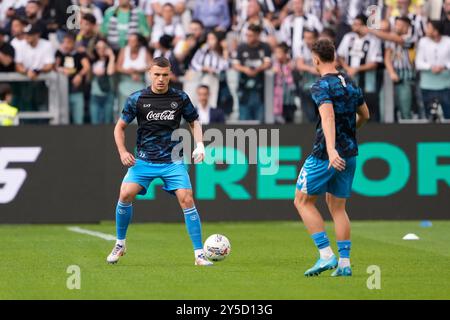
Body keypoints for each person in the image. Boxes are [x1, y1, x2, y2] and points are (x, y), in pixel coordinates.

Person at [106, 56, 213, 266]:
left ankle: (199, 254)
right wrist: (122, 152)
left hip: (172, 161)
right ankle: (120, 244)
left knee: (187, 198)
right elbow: (119, 127)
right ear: (150, 74)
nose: (161, 79)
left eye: (165, 75)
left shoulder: (180, 98)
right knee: (125, 194)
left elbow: (194, 121)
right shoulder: (137, 99)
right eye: (157, 74)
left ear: (170, 74)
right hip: (144, 161)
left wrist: (200, 145)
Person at [293, 38, 370, 277]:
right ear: (334, 56)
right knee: (338, 208)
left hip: (326, 154)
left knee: (302, 201)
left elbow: (327, 118)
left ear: (316, 59)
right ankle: (345, 264)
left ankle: (326, 255)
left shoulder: (320, 86)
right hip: (350, 152)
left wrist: (332, 149)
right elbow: (365, 115)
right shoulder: (350, 82)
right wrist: (346, 137)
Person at [232, 24, 271, 122]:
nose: (248, 37)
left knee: (260, 120)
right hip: (244, 89)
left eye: (251, 35)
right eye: (247, 35)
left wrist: (257, 70)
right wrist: (245, 69)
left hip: (260, 89)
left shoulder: (265, 47)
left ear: (257, 35)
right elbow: (235, 64)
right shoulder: (241, 47)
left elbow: (267, 63)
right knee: (244, 119)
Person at [415, 20, 450, 120]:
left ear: (436, 31)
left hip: (446, 85)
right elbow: (418, 63)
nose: (426, 30)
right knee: (429, 116)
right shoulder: (423, 42)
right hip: (427, 85)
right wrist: (431, 67)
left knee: (448, 115)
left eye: (429, 28)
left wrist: (444, 67)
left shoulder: (448, 41)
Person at [55, 33, 91, 125]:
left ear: (74, 43)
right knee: (63, 119)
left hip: (76, 91)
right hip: (62, 92)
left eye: (69, 42)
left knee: (78, 118)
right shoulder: (59, 53)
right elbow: (55, 67)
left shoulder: (79, 54)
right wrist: (61, 69)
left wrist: (79, 75)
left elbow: (86, 67)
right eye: (64, 42)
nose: (66, 45)